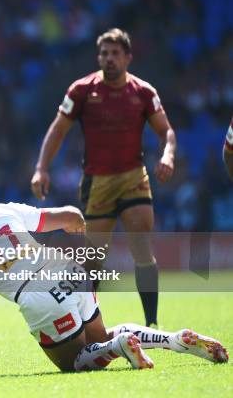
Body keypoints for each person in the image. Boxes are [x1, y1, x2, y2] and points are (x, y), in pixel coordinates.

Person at [0, 180, 228, 373]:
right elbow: (63, 216)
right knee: (99, 334)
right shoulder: (4, 207)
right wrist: (77, 221)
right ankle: (174, 339)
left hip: (36, 295)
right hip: (68, 270)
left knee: (74, 361)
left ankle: (120, 346)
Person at [30, 28, 177, 327]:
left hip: (134, 177)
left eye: (115, 53)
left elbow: (166, 132)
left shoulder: (144, 92)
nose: (109, 59)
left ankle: (152, 324)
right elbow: (58, 129)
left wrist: (167, 156)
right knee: (94, 260)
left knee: (142, 249)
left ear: (128, 57)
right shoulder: (82, 90)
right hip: (97, 183)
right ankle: (87, 325)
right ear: (99, 57)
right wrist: (41, 168)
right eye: (104, 54)